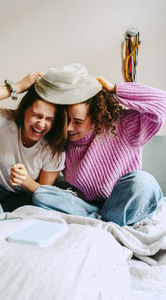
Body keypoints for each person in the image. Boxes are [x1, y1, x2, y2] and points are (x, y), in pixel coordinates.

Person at [31, 63, 166, 226]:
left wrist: (114, 88)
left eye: (78, 122)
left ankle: (106, 220)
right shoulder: (61, 139)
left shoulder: (123, 125)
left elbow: (162, 102)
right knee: (42, 195)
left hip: (124, 203)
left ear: (96, 116)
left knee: (143, 182)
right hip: (90, 207)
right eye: (65, 120)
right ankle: (106, 222)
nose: (68, 128)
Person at [0, 72, 67, 220]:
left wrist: (26, 181)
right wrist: (17, 87)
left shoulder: (54, 148)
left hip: (19, 197)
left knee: (21, 221)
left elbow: (44, 194)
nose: (41, 123)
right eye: (37, 115)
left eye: (49, 119)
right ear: (24, 111)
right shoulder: (7, 121)